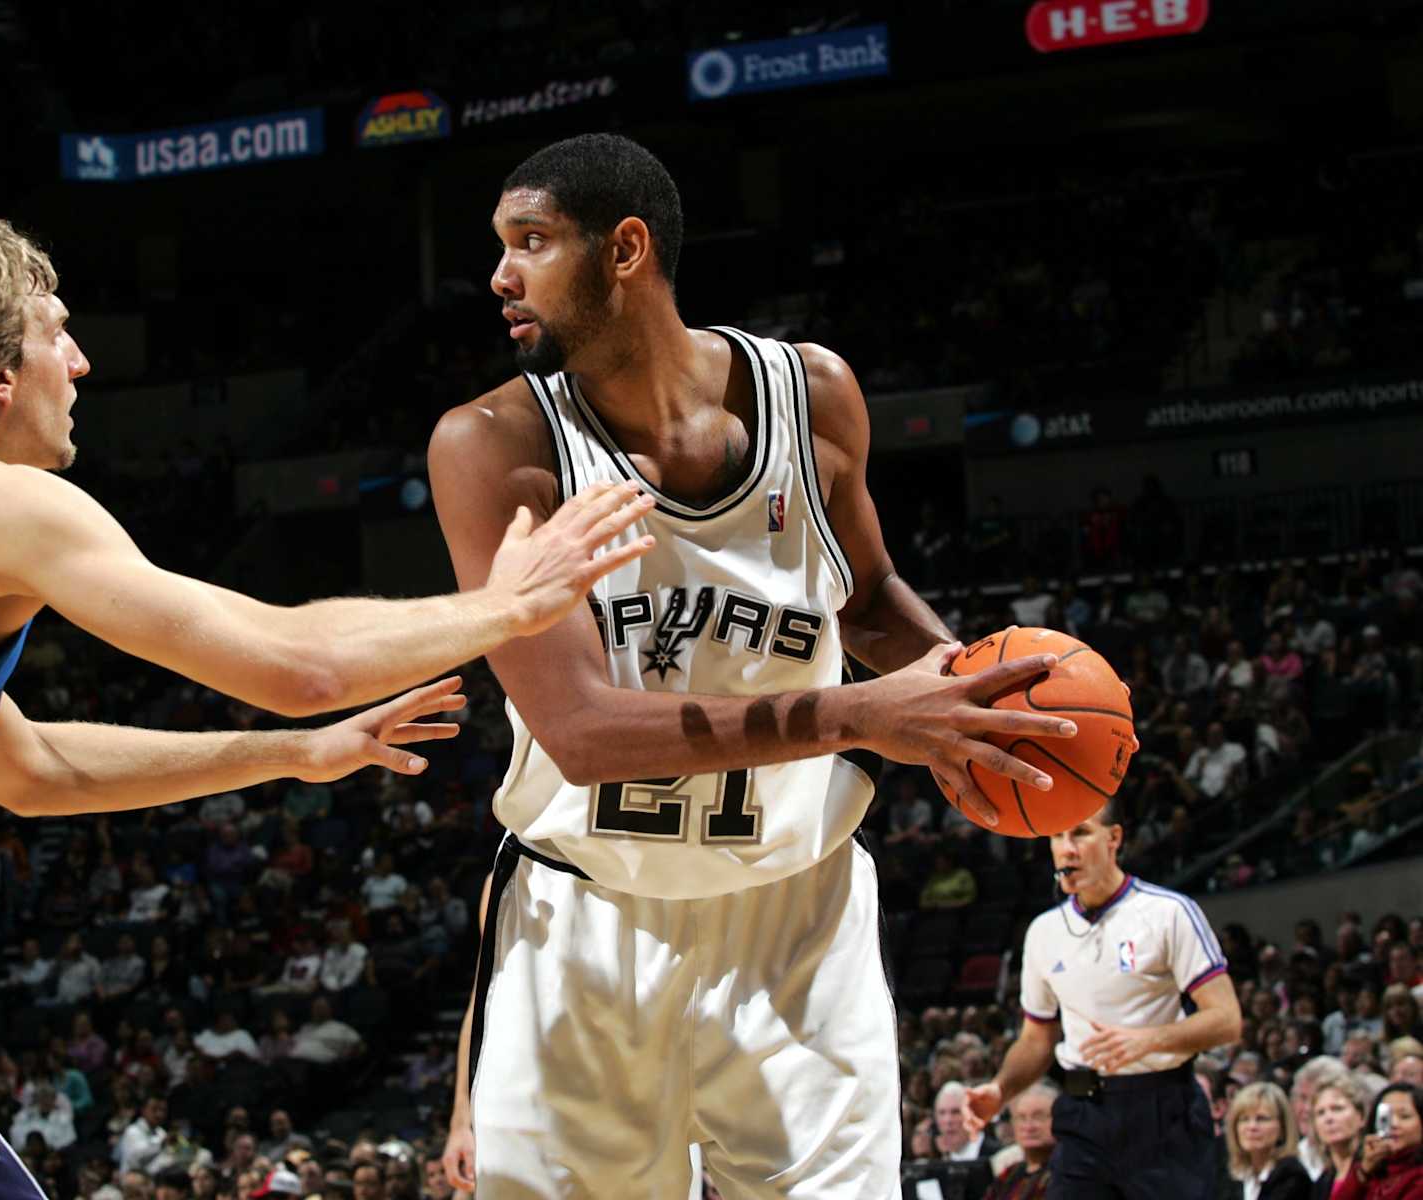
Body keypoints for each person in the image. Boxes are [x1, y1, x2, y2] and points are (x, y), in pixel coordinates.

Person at [0, 219, 656, 1198]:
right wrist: (507, 606)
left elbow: (31, 771)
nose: (78, 365)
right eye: (57, 334)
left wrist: (294, 754)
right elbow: (293, 658)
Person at [429, 133, 1080, 1199]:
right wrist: (863, 716)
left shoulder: (810, 394)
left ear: (626, 248)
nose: (499, 276)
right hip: (589, 925)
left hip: (798, 921)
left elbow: (864, 600)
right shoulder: (494, 445)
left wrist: (991, 697)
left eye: (531, 243)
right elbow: (584, 733)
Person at [964, 804, 1243, 1199]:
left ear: (1114, 838)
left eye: (1080, 833)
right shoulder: (1043, 932)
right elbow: (1035, 1040)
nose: (1067, 849)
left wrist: (1147, 1040)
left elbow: (1226, 1019)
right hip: (1082, 1111)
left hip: (1163, 1109)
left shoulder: (1168, 912)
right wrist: (1000, 1089)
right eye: (1057, 837)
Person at [1333, 1082, 1423, 1198]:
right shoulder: (1374, 1169)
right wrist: (1364, 1170)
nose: (1393, 1124)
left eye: (1404, 1116)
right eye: (1386, 1117)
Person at [1223, 1082, 1308, 1198]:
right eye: (1244, 1119)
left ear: (1282, 1127)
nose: (1252, 1127)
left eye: (1262, 1119)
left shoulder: (1293, 1178)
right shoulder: (1232, 1178)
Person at [983, 1082, 1057, 1200]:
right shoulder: (1008, 1174)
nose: (1028, 1126)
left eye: (1038, 1117)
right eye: (1021, 1118)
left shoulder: (1068, 1174)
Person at [1310, 1075, 1368, 1193]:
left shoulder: (1374, 1169)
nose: (1328, 1118)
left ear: (1360, 1116)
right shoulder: (1320, 1185)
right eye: (1320, 1113)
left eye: (1337, 1109)